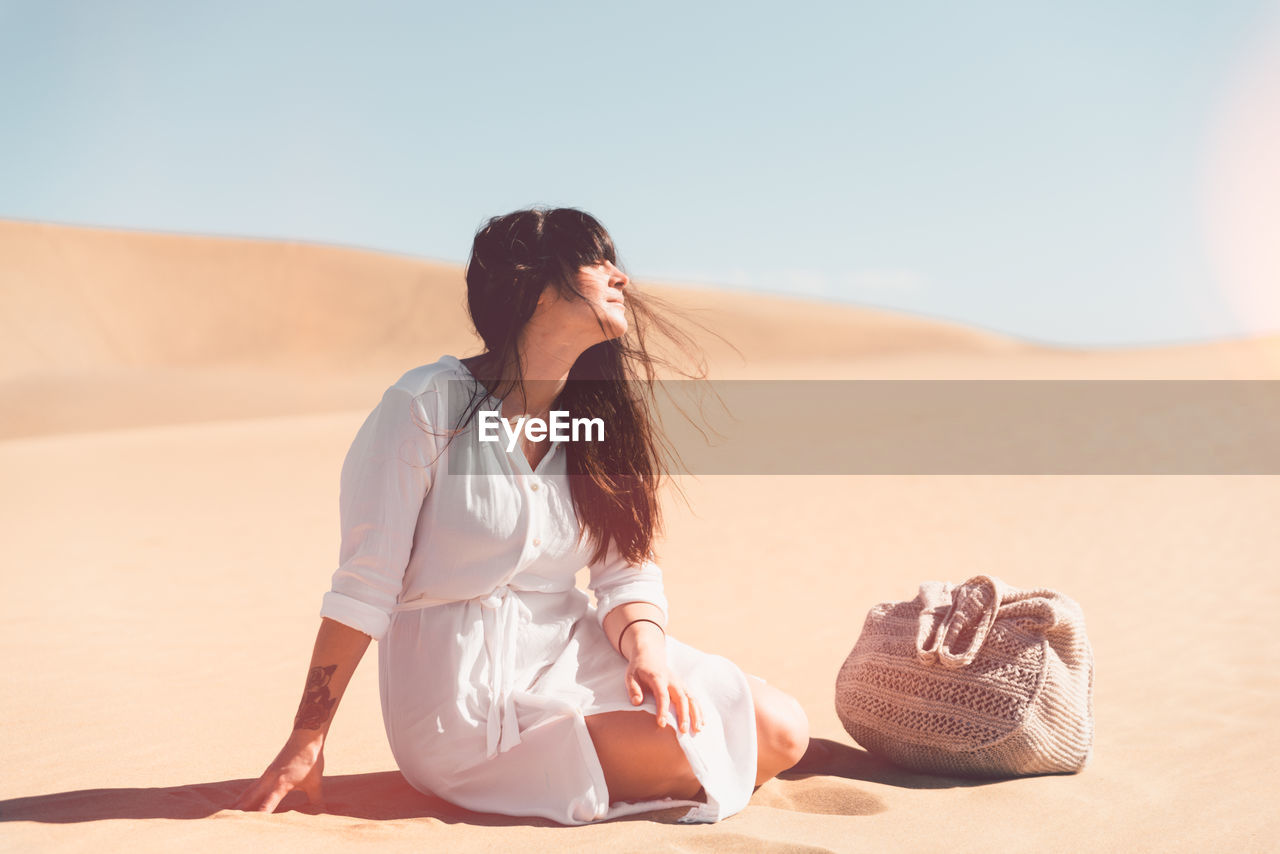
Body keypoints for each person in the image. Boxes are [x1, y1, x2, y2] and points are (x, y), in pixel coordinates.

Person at [232, 206, 810, 824]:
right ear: (534, 290)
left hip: (578, 656)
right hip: (464, 707)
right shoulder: (424, 407)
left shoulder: (599, 421)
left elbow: (624, 575)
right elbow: (364, 584)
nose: (620, 276)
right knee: (706, 749)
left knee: (783, 729)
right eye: (595, 260)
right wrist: (307, 737)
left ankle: (683, 754)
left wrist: (647, 651)